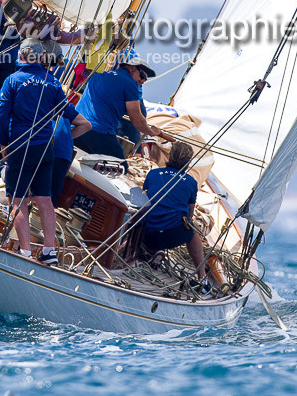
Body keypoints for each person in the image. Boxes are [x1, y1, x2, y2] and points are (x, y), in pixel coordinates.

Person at [0, 39, 89, 264]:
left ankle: (25, 251)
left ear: (21, 57)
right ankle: (49, 251)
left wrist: (3, 144)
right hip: (45, 150)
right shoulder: (53, 83)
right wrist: (54, 143)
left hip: (20, 147)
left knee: (17, 200)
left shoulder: (13, 81)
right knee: (44, 200)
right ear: (41, 58)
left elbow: (1, 115)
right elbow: (84, 124)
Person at [137, 141, 209, 285]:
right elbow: (189, 216)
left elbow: (144, 197)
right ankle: (202, 278)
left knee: (141, 215)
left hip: (147, 234)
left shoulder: (153, 174)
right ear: (188, 163)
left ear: (169, 157)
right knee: (192, 231)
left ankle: (132, 248)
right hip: (172, 236)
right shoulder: (191, 182)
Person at [74, 49, 157, 166]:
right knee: (121, 167)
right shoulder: (129, 84)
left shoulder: (98, 76)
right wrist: (152, 132)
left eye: (145, 79)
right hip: (97, 132)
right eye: (142, 75)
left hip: (75, 128)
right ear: (131, 67)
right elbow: (137, 120)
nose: (142, 81)